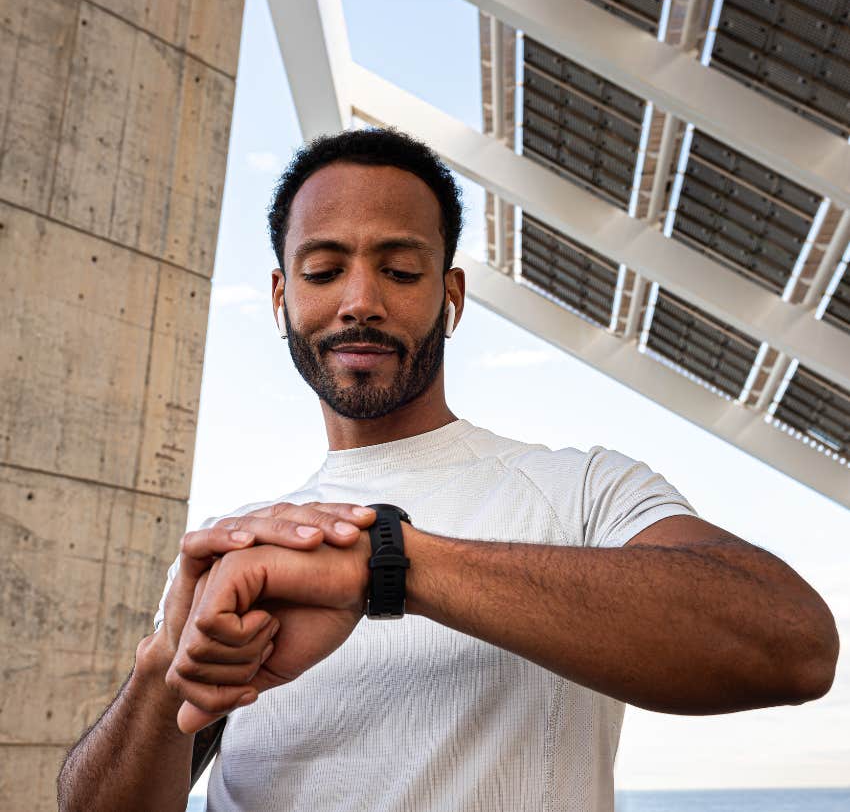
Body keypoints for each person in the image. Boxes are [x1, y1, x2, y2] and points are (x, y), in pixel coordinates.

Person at [58, 128, 840, 812]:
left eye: (399, 271)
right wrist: (163, 666)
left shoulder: (585, 491)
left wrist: (390, 566)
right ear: (280, 295)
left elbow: (792, 645)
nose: (360, 301)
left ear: (451, 296)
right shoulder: (244, 555)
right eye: (324, 270)